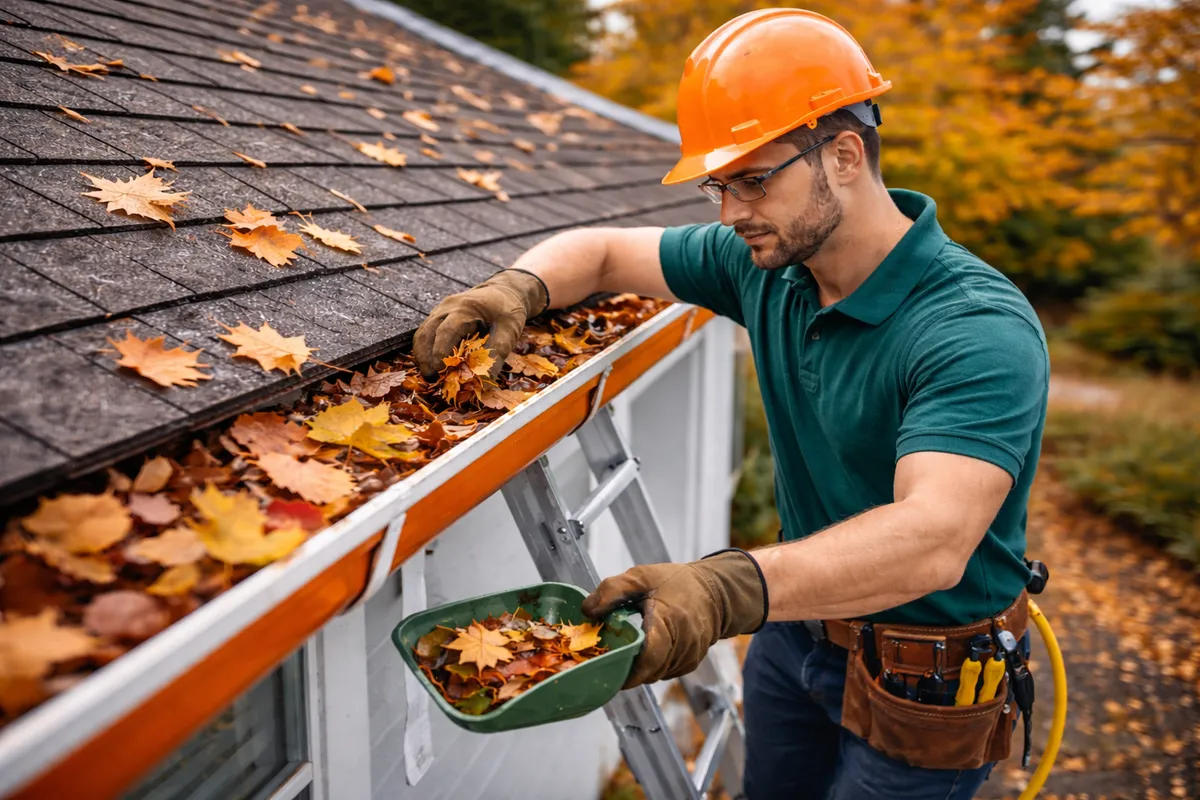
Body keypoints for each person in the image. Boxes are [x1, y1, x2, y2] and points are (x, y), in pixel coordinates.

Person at [414, 8, 1049, 799]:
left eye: (754, 178)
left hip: (924, 680)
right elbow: (604, 249)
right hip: (793, 635)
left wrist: (722, 589)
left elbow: (933, 539)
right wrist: (517, 287)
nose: (729, 212)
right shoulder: (771, 264)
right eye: (721, 183)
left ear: (845, 154)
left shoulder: (973, 327)